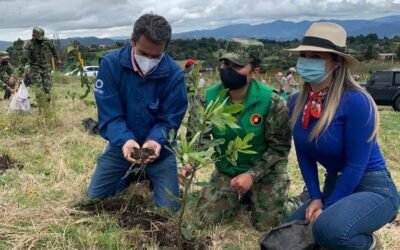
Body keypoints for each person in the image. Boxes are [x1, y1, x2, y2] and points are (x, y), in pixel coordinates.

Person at [285, 22, 399, 249]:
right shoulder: (297, 102)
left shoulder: (356, 101)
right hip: (334, 183)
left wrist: (329, 206)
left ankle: (368, 245)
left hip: (372, 187)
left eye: (315, 56)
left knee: (327, 228)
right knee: (288, 231)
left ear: (337, 62)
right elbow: (303, 153)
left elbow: (357, 164)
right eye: (304, 55)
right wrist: (316, 197)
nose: (307, 61)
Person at [184, 40, 300, 231]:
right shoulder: (207, 99)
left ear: (254, 72)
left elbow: (279, 148)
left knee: (268, 225)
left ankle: (297, 200)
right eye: (225, 64)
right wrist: (190, 162)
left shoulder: (271, 101)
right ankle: (241, 197)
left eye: (237, 66)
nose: (228, 70)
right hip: (228, 171)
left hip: (266, 171)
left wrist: (252, 175)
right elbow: (198, 140)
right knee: (208, 218)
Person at [87, 14, 188, 211]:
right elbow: (110, 115)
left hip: (160, 151)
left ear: (165, 49)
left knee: (168, 211)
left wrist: (155, 141)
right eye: (143, 53)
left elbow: (170, 120)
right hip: (122, 146)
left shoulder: (174, 75)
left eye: (155, 56)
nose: (148, 60)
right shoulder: (111, 65)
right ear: (133, 41)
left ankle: (151, 174)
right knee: (95, 197)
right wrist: (126, 141)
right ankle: (132, 174)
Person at [19, 27, 60, 107]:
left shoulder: (47, 41)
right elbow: (24, 58)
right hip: (35, 67)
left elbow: (53, 49)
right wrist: (21, 71)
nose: (40, 40)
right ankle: (41, 107)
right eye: (38, 38)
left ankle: (47, 106)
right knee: (39, 88)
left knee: (47, 88)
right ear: (33, 36)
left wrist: (57, 59)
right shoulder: (28, 44)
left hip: (45, 67)